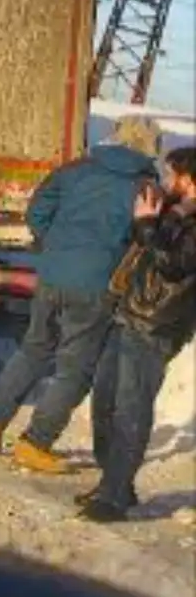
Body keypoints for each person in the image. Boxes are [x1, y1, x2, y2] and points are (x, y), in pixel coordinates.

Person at [0, 118, 161, 475]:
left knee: (33, 349)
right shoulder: (146, 188)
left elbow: (37, 213)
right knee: (75, 371)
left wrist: (56, 247)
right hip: (96, 285)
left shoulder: (74, 169)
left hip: (52, 274)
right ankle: (36, 443)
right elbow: (148, 241)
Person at [78, 147, 196, 523]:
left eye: (174, 174)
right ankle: (114, 482)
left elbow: (174, 265)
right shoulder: (175, 211)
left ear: (190, 179)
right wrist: (149, 220)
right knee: (105, 401)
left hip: (157, 325)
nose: (168, 180)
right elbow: (144, 246)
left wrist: (148, 226)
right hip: (130, 313)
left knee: (132, 409)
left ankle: (114, 496)